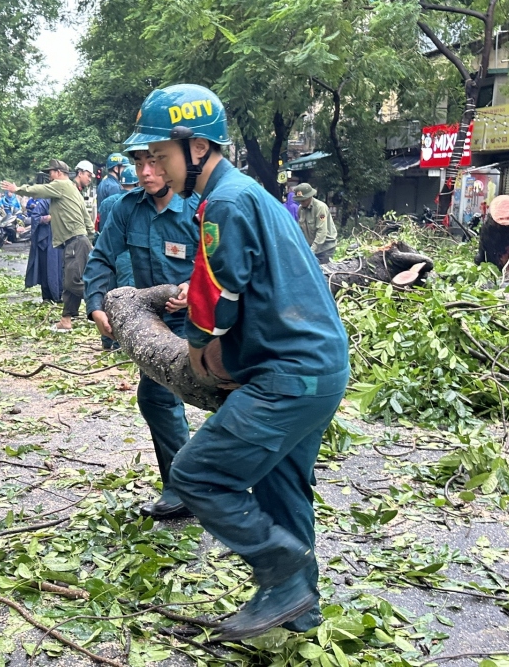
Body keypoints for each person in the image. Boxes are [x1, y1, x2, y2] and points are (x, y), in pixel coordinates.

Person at [136, 84, 349, 640]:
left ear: (198, 147)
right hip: (316, 368)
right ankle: (300, 615)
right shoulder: (244, 194)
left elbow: (222, 295)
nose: (154, 165)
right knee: (281, 490)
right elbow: (237, 279)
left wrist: (196, 345)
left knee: (198, 474)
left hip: (289, 375)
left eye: (160, 155)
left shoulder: (226, 201)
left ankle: (284, 574)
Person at [85, 143, 200, 518]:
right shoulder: (127, 208)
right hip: (150, 322)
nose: (146, 172)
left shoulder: (199, 206)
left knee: (167, 397)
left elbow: (224, 261)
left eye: (154, 162)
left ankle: (194, 486)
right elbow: (101, 257)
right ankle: (185, 487)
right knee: (160, 397)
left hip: (202, 320)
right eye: (139, 163)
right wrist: (96, 306)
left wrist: (192, 287)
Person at [2, 160, 93, 332]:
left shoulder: (61, 184)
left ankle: (101, 304)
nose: (49, 177)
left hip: (75, 241)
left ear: (58, 172)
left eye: (50, 173)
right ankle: (66, 320)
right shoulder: (72, 189)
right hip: (79, 241)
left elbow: (39, 190)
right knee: (69, 282)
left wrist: (18, 189)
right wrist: (91, 237)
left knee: (73, 283)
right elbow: (86, 216)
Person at [93, 164, 139, 351]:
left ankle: (107, 339)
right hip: (127, 256)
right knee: (125, 298)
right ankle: (121, 342)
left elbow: (101, 228)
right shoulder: (136, 201)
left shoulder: (107, 202)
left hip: (108, 253)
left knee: (108, 295)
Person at [23, 183, 63, 303]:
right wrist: (48, 218)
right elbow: (35, 217)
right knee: (47, 269)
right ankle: (47, 297)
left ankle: (58, 295)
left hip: (60, 240)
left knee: (60, 269)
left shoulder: (63, 202)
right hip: (46, 243)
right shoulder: (45, 202)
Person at [294, 183, 337, 264]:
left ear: (310, 196)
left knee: (323, 273)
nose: (301, 202)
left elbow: (322, 231)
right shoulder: (300, 209)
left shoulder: (320, 207)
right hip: (312, 247)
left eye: (303, 200)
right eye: (299, 200)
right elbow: (300, 230)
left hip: (325, 248)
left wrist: (311, 250)